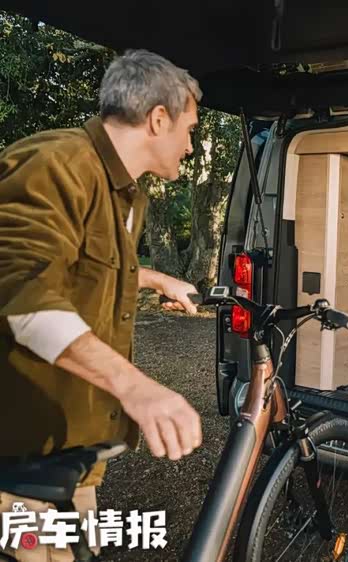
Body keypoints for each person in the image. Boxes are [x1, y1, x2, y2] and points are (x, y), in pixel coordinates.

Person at [0, 50, 204, 561]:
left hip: (75, 458)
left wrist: (153, 279)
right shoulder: (57, 163)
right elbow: (21, 293)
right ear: (159, 119)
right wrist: (137, 388)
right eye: (190, 130)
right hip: (20, 465)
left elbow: (75, 268)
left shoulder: (125, 193)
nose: (191, 146)